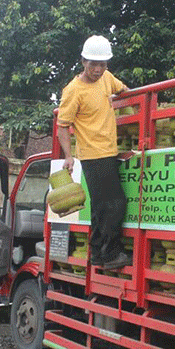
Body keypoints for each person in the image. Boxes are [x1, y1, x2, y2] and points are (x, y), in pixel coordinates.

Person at [56, 35, 131, 270]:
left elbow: (124, 90)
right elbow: (62, 126)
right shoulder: (73, 91)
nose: (98, 70)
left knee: (100, 206)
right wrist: (69, 156)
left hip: (108, 149)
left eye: (102, 64)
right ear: (82, 61)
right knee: (115, 203)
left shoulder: (107, 78)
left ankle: (97, 253)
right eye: (93, 64)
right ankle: (110, 254)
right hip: (93, 154)